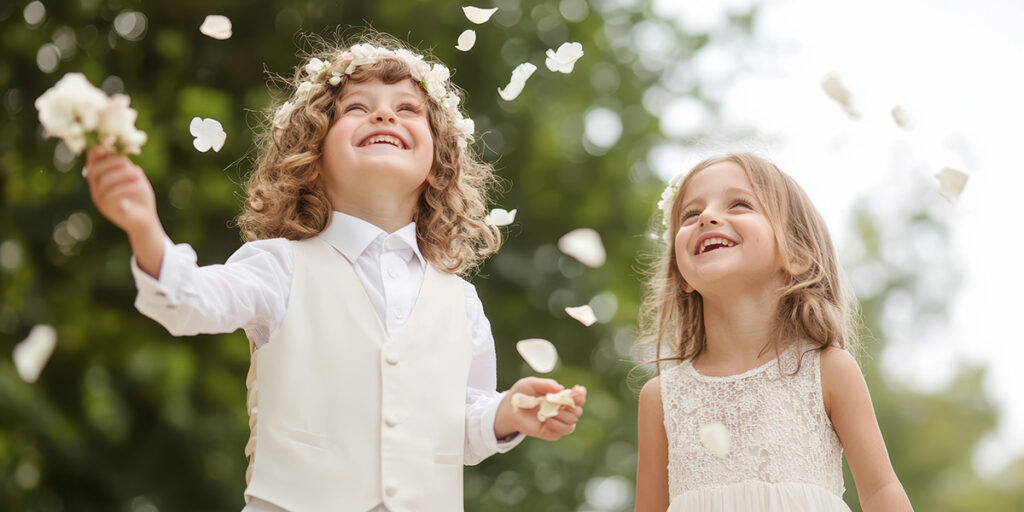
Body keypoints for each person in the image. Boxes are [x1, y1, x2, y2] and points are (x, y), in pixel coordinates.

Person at [84, 32, 586, 512]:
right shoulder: (280, 267)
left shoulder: (461, 303)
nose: (384, 113)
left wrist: (505, 412)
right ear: (313, 156)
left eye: (407, 108)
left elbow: (457, 427)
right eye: (357, 108)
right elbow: (189, 300)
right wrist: (144, 226)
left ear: (438, 164)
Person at [633, 153, 912, 511]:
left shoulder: (827, 370)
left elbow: (881, 491)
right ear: (681, 276)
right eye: (690, 214)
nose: (706, 217)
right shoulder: (661, 398)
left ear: (795, 253)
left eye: (739, 204)